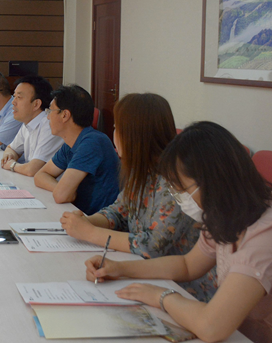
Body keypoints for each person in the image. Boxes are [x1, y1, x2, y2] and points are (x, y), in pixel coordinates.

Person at [85, 122, 272, 343]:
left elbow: (211, 326)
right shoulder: (224, 214)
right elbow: (187, 265)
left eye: (181, 188)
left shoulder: (262, 235)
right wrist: (119, 268)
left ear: (212, 181)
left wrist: (160, 296)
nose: (179, 197)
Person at [60, 93, 216, 302]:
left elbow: (152, 246)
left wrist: (90, 232)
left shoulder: (175, 180)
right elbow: (119, 212)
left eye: (117, 128)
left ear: (135, 136)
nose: (114, 135)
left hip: (184, 289)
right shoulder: (141, 170)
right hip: (150, 275)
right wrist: (87, 221)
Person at [33, 85, 119, 215]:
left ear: (65, 115)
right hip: (80, 215)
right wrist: (60, 188)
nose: (48, 117)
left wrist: (63, 191)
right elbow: (40, 175)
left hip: (97, 221)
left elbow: (61, 196)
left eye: (50, 111)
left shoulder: (92, 142)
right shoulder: (71, 143)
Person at [0, 75, 63, 177]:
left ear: (36, 104)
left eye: (19, 97)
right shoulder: (27, 122)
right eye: (14, 96)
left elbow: (33, 170)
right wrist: (9, 156)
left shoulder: (49, 124)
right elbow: (12, 148)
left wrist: (12, 165)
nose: (13, 102)